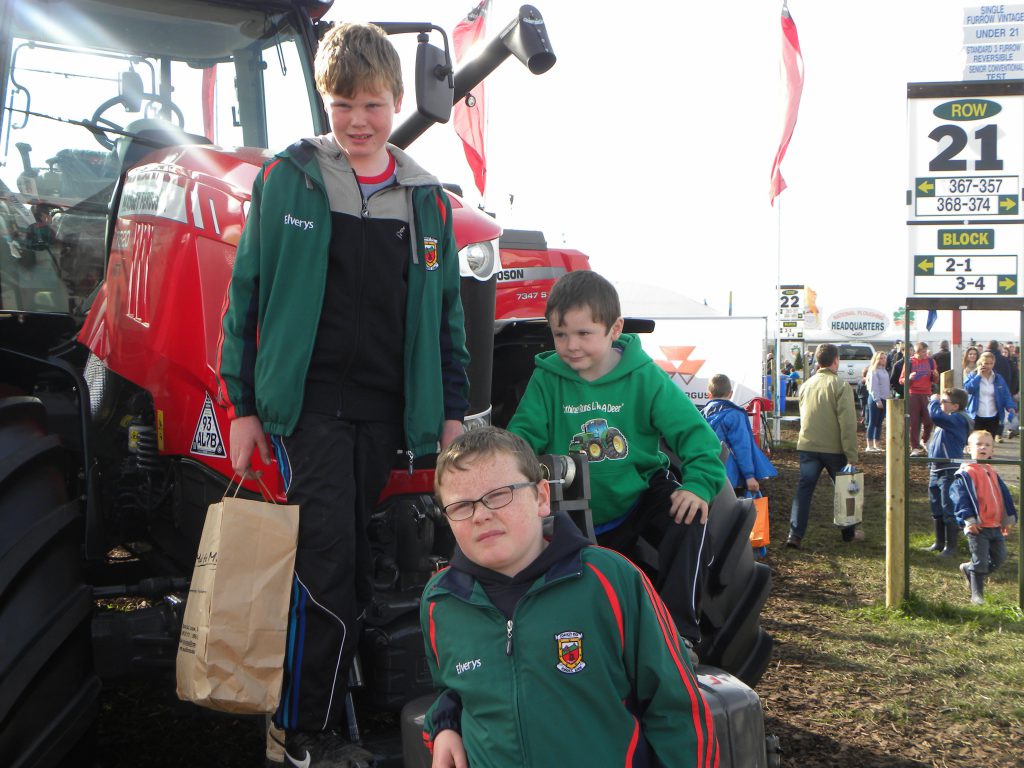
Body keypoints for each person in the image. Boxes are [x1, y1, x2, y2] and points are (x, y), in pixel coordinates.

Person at [218, 22, 470, 768]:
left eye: (372, 105)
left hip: (386, 413)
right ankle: (301, 733)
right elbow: (247, 298)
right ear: (323, 104)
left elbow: (446, 318)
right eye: (341, 105)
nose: (357, 122)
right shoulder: (289, 178)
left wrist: (450, 415)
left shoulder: (426, 202)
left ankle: (344, 705)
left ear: (397, 101)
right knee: (326, 557)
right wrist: (243, 407)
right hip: (308, 409)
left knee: (358, 563)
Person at [418, 427, 717, 768]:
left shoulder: (609, 580)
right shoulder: (441, 601)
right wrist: (445, 726)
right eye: (461, 506)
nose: (481, 514)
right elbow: (453, 689)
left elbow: (677, 709)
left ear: (542, 497)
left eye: (498, 495)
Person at [507, 270, 725, 651]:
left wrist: (698, 485)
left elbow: (696, 436)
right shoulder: (546, 380)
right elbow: (522, 438)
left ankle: (680, 636)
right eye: (560, 335)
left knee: (689, 516)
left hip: (638, 496)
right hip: (571, 511)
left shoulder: (645, 378)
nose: (571, 345)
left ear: (614, 328)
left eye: (583, 334)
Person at [786, 343, 862, 549]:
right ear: (836, 360)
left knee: (804, 490)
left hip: (808, 445)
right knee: (846, 489)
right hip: (833, 448)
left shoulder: (806, 385)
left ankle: (795, 534)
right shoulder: (841, 385)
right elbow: (847, 423)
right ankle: (849, 533)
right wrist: (851, 454)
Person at [951, 430, 1018, 604]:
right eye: (978, 444)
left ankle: (969, 569)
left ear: (992, 451)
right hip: (978, 526)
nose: (983, 447)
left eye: (987, 445)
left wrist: (1006, 520)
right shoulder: (966, 473)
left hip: (995, 525)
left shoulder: (992, 472)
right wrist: (969, 519)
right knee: (980, 561)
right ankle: (977, 594)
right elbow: (960, 498)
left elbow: (1004, 497)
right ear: (968, 448)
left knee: (1000, 557)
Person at [702, 373, 777, 494]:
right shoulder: (735, 416)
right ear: (731, 394)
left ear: (708, 395)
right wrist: (749, 476)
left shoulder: (701, 415)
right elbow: (742, 447)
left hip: (705, 474)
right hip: (728, 477)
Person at [925, 388, 972, 557]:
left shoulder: (958, 419)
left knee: (948, 507)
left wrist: (933, 400)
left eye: (944, 402)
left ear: (955, 406)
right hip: (936, 468)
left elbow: (935, 415)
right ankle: (938, 542)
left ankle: (950, 546)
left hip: (948, 469)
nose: (941, 404)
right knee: (935, 506)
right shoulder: (948, 421)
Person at [963, 351, 1016, 442]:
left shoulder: (998, 378)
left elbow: (1005, 394)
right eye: (986, 363)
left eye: (991, 363)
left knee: (988, 443)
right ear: (981, 363)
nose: (989, 366)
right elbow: (968, 389)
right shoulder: (973, 375)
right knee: (977, 442)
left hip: (993, 416)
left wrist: (1010, 407)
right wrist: (978, 376)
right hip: (976, 416)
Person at [899, 342, 937, 456]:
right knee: (914, 422)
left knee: (929, 419)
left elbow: (934, 380)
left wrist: (935, 375)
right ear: (916, 352)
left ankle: (924, 440)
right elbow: (901, 380)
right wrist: (908, 378)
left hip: (926, 393)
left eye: (926, 352)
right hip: (913, 393)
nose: (925, 354)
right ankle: (914, 447)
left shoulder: (931, 361)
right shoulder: (909, 362)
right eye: (922, 352)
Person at [864, 350, 891, 452]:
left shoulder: (884, 371)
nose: (883, 360)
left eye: (884, 358)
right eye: (881, 358)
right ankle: (869, 445)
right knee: (872, 422)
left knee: (879, 423)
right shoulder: (873, 371)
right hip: (876, 399)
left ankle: (877, 444)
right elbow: (873, 387)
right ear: (876, 359)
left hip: (884, 398)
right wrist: (877, 400)